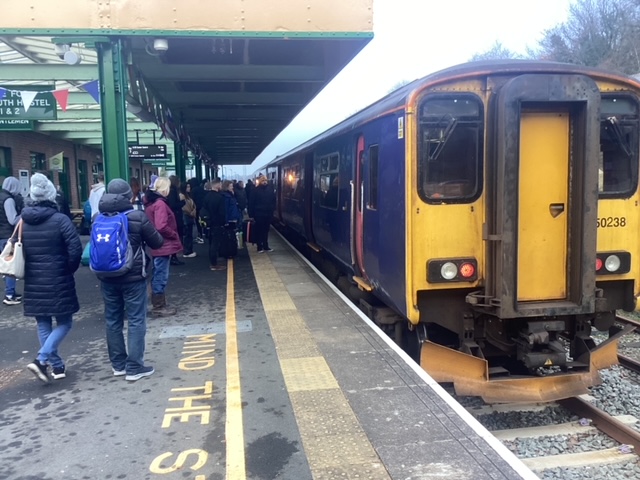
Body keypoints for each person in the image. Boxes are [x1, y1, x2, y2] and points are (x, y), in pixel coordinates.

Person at [97, 179, 164, 381]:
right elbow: (157, 242)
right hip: (133, 277)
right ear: (129, 196)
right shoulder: (137, 216)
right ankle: (134, 367)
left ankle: (118, 365)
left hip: (106, 277)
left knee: (112, 320)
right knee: (136, 320)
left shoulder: (97, 218)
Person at [22, 173, 82, 382]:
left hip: (33, 279)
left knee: (43, 323)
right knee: (65, 322)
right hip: (58, 277)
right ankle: (41, 360)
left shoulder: (23, 221)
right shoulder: (60, 220)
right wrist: (69, 268)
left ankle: (56, 367)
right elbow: (75, 249)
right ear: (51, 195)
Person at [144, 177, 182, 316]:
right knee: (161, 274)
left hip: (155, 243)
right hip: (163, 244)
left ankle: (158, 302)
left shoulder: (151, 203)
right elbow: (161, 225)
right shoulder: (160, 204)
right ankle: (159, 306)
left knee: (157, 272)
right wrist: (173, 234)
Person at [0, 176, 23, 305]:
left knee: (5, 265)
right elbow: (12, 219)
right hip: (7, 236)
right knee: (10, 266)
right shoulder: (8, 200)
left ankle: (11, 292)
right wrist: (24, 214)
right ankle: (9, 295)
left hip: (0, 235)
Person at [202, 179, 227, 271]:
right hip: (217, 223)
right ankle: (214, 264)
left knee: (211, 243)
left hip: (209, 223)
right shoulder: (219, 197)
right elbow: (222, 213)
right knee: (215, 244)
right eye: (220, 184)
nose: (221, 186)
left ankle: (213, 261)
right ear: (217, 185)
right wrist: (223, 223)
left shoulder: (207, 196)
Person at [248, 175, 276, 253]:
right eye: (263, 180)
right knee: (259, 230)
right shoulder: (255, 190)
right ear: (260, 181)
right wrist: (251, 215)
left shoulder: (270, 190)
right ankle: (259, 246)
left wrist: (272, 210)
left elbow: (273, 200)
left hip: (267, 213)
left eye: (265, 180)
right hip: (258, 214)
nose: (264, 182)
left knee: (266, 230)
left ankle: (266, 246)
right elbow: (251, 203)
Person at [166, 175, 185, 265]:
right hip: (176, 216)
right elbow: (173, 205)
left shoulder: (169, 191)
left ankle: (173, 256)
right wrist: (182, 202)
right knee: (176, 235)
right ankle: (173, 256)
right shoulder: (173, 192)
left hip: (173, 216)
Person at [180, 183, 197, 258]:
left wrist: (193, 210)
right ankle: (187, 251)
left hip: (190, 216)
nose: (189, 188)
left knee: (190, 234)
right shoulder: (182, 196)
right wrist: (191, 212)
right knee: (187, 235)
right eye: (187, 186)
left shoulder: (188, 195)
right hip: (186, 216)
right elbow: (184, 207)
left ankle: (189, 250)